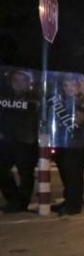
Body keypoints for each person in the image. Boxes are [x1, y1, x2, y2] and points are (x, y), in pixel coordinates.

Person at [50, 74, 84, 215]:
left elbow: (79, 121)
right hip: (62, 142)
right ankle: (69, 200)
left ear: (79, 86)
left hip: (76, 144)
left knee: (74, 175)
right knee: (65, 174)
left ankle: (74, 205)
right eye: (66, 85)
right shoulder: (62, 100)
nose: (69, 88)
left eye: (72, 85)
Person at [0, 68, 39, 213]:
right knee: (2, 170)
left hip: (26, 141)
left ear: (29, 82)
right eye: (15, 80)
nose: (18, 83)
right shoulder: (5, 96)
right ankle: (13, 199)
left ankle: (21, 203)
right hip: (6, 140)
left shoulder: (35, 97)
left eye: (22, 80)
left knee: (26, 173)